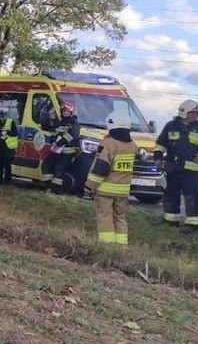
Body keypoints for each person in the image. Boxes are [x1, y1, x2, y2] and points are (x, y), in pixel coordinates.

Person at [152, 99, 198, 234]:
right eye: (193, 113)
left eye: (197, 113)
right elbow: (160, 144)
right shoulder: (170, 126)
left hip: (191, 171)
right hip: (172, 168)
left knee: (191, 196)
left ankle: (193, 224)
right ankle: (171, 220)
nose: (196, 116)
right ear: (184, 113)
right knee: (170, 194)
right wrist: (158, 158)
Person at [84, 110, 138, 247]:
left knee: (105, 217)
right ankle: (121, 247)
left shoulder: (108, 144)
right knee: (120, 218)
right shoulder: (133, 146)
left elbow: (100, 169)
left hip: (105, 190)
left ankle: (107, 247)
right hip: (123, 191)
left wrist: (89, 187)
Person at [40, 100, 81, 193]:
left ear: (71, 112)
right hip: (56, 151)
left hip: (66, 153)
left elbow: (70, 136)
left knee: (59, 171)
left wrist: (58, 143)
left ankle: (56, 191)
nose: (65, 112)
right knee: (46, 165)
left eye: (67, 111)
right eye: (64, 111)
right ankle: (48, 187)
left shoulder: (74, 123)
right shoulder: (60, 122)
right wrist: (53, 141)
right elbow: (53, 133)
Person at [0, 108, 18, 185]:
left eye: (3, 115)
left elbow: (15, 133)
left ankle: (7, 181)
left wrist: (7, 131)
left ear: (6, 115)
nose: (1, 117)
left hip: (8, 146)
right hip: (0, 145)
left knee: (7, 164)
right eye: (0, 115)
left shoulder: (11, 122)